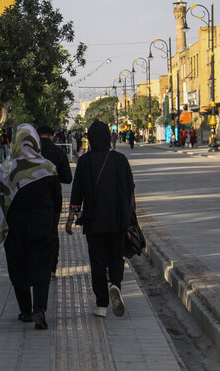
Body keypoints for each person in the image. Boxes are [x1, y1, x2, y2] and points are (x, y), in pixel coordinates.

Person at [0, 124, 62, 330]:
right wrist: (53, 223)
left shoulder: (5, 169)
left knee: (18, 266)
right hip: (43, 225)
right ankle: (40, 309)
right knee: (42, 268)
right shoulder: (48, 168)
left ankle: (25, 311)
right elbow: (57, 201)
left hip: (15, 227)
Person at [65, 120, 135, 319]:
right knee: (116, 256)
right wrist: (129, 214)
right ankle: (115, 284)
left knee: (97, 262)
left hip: (94, 220)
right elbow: (130, 188)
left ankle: (101, 305)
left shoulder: (84, 162)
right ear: (108, 137)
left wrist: (71, 217)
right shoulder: (120, 159)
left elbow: (77, 193)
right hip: (118, 219)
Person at [37, 126, 73, 280]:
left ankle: (36, 266)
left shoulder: (30, 152)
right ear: (52, 137)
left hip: (32, 199)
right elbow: (68, 178)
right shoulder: (58, 152)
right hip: (52, 198)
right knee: (52, 233)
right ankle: (51, 268)